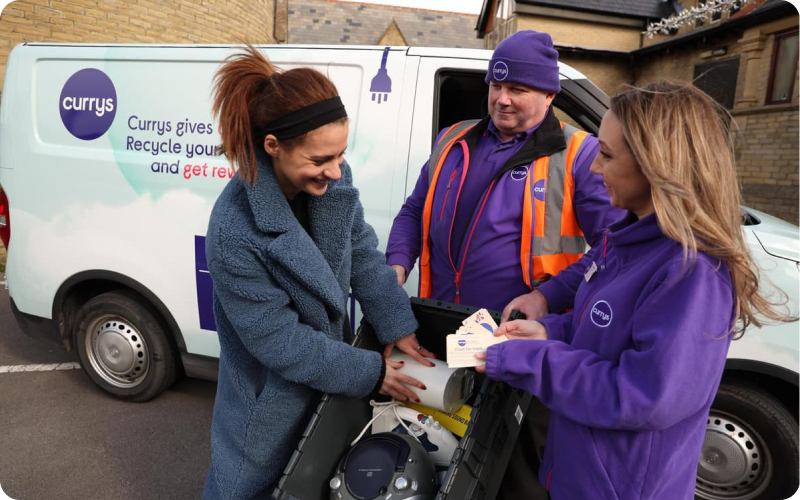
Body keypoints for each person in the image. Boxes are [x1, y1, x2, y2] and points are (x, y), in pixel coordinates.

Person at [477, 81, 794, 499]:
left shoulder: (691, 272)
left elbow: (641, 397)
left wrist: (529, 358)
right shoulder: (629, 239)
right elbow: (606, 326)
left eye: (605, 156)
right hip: (584, 474)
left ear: (656, 164)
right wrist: (552, 331)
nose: (593, 169)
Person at [385, 30, 623, 498]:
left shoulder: (580, 155)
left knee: (515, 472)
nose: (502, 99)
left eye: (518, 89)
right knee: (444, 449)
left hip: (519, 344)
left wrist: (546, 295)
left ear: (550, 94)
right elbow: (415, 210)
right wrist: (396, 265)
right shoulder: (453, 139)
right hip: (444, 327)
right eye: (496, 86)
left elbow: (613, 248)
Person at [202, 45, 436, 500]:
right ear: (273, 146)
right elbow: (279, 341)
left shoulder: (333, 179)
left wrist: (397, 323)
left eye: (340, 154)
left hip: (329, 373)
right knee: (243, 487)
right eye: (319, 160)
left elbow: (363, 252)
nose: (335, 170)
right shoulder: (234, 230)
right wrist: (370, 373)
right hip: (270, 395)